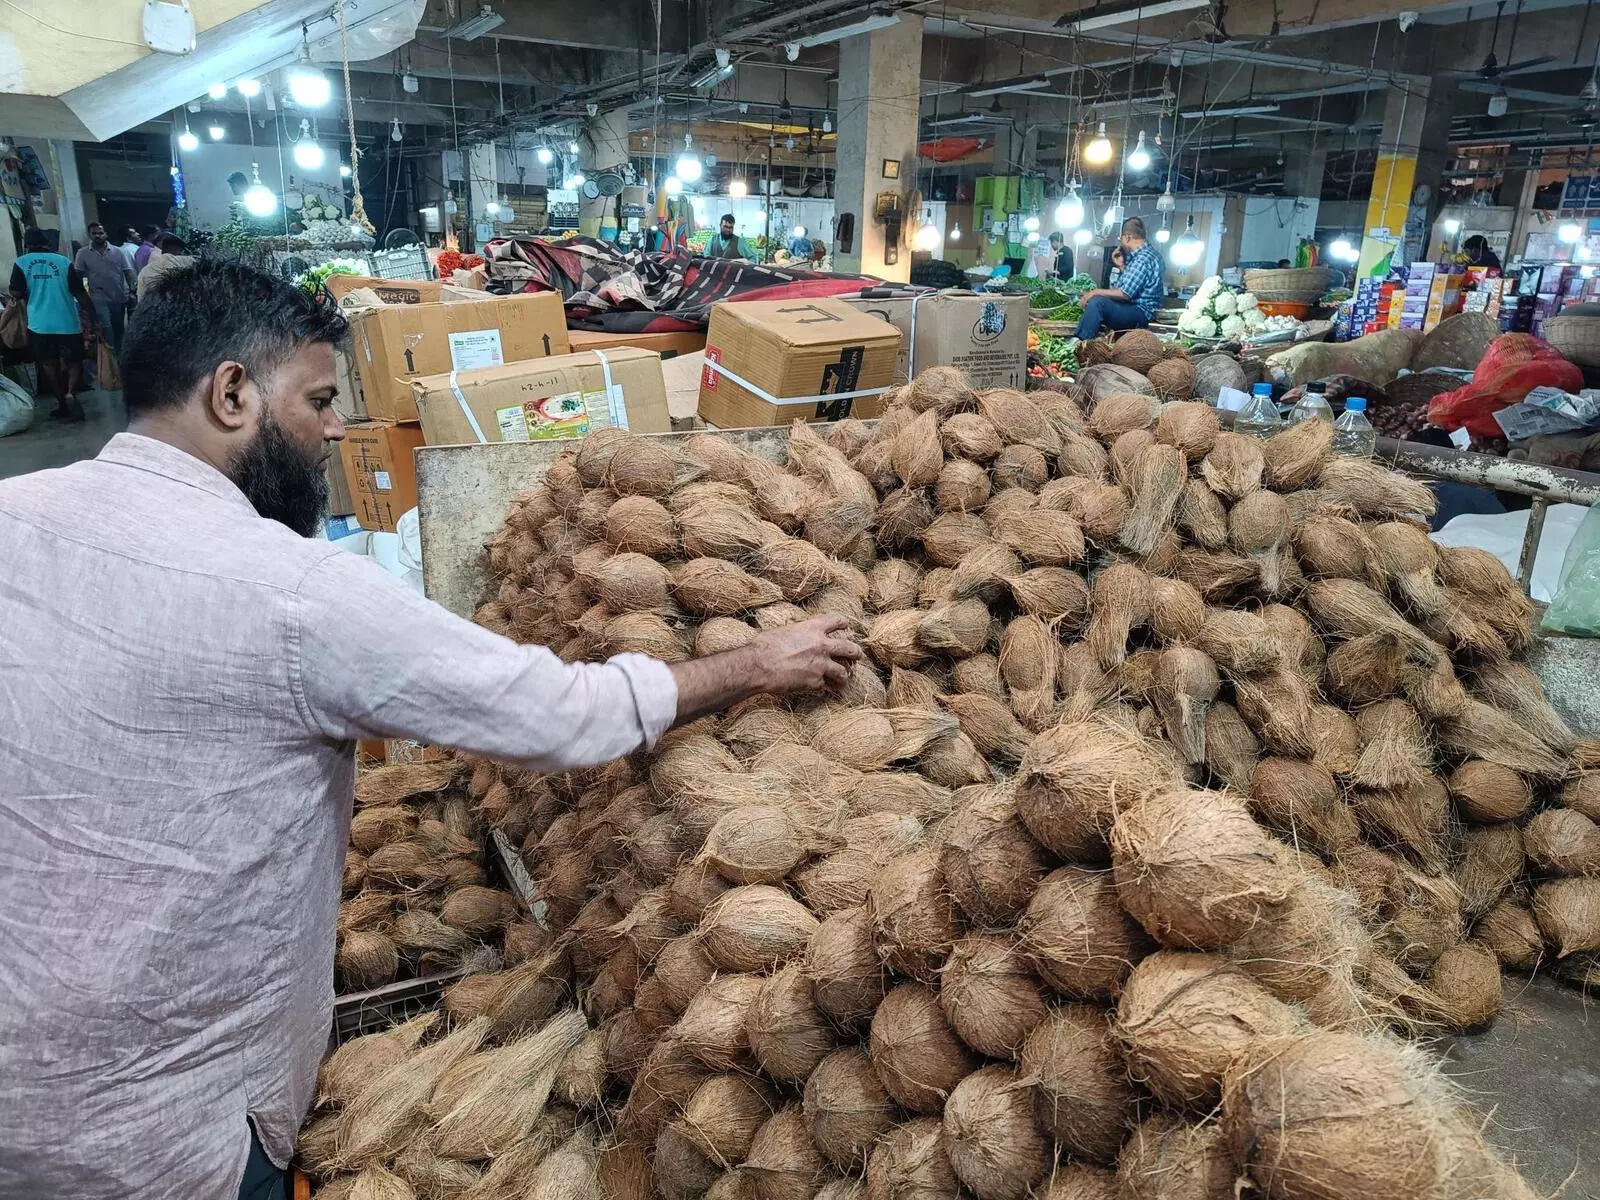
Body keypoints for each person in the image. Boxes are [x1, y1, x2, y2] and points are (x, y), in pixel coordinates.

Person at [0, 258, 862, 1200]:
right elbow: (558, 713)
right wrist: (752, 664)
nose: (334, 428)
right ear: (233, 393)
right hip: (173, 1135)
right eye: (321, 400)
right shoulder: (297, 595)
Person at [8, 225, 93, 421]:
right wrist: (92, 316)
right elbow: (79, 293)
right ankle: (71, 392)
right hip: (67, 321)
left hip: (39, 324)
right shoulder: (63, 261)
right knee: (74, 362)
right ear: (47, 243)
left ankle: (62, 401)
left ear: (26, 244)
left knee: (49, 364)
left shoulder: (21, 262)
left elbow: (17, 292)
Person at [1075, 216, 1165, 340]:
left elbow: (1125, 293)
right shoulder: (1150, 255)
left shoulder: (1142, 258)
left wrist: (1095, 292)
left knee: (1097, 303)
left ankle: (1080, 343)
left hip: (1141, 313)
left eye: (1121, 239)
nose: (1121, 243)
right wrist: (1121, 266)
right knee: (1098, 300)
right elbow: (1131, 286)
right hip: (1138, 310)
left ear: (1127, 237)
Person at [73, 221, 136, 355]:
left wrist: (133, 289)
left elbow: (128, 271)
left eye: (100, 233)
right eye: (94, 233)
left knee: (119, 327)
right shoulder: (82, 253)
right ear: (89, 235)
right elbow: (77, 274)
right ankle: (110, 356)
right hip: (98, 297)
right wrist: (80, 295)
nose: (98, 236)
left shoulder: (118, 252)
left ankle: (119, 354)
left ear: (105, 234)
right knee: (106, 326)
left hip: (118, 296)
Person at [137, 232, 196, 301]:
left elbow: (140, 298)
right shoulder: (188, 262)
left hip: (150, 308)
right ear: (180, 251)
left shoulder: (146, 270)